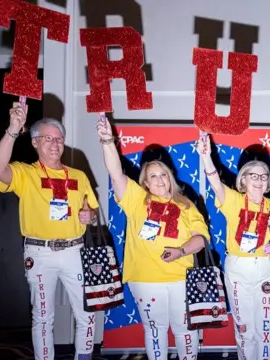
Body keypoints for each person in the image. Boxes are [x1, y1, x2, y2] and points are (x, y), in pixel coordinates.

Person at [0, 103, 99, 360]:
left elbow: (92, 212)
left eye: (59, 138)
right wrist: (13, 130)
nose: (55, 143)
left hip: (75, 251)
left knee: (87, 312)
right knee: (43, 316)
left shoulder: (79, 176)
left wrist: (89, 216)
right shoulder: (25, 173)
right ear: (35, 142)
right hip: (40, 253)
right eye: (48, 138)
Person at [96, 118, 209, 360]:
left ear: (170, 178)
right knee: (155, 331)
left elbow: (200, 238)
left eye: (163, 175)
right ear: (145, 182)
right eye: (153, 176)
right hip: (145, 279)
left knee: (185, 331)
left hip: (180, 277)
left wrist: (180, 251)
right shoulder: (137, 200)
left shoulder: (186, 204)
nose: (159, 180)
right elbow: (116, 173)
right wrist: (107, 141)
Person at [197, 133, 270, 360]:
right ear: (243, 180)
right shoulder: (234, 200)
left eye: (264, 176)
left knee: (266, 329)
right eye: (252, 175)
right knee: (245, 328)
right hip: (237, 268)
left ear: (268, 181)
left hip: (265, 268)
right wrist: (206, 157)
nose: (259, 180)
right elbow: (215, 181)